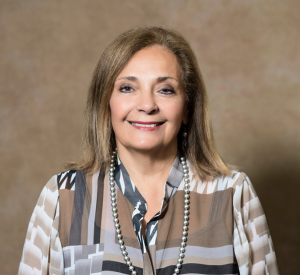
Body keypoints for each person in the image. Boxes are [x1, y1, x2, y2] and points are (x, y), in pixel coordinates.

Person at [18, 26, 279, 275]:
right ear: (105, 105)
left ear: (187, 109)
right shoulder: (62, 197)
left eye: (165, 90)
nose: (147, 105)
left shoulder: (233, 193)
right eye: (127, 88)